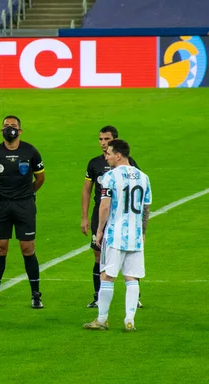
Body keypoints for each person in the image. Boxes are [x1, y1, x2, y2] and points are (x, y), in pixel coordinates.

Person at [84, 139, 151, 332]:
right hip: (135, 236)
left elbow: (104, 206)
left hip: (115, 235)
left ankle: (102, 319)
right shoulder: (143, 177)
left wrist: (99, 231)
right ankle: (129, 319)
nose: (107, 157)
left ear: (118, 155)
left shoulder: (111, 176)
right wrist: (143, 232)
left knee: (107, 276)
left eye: (109, 154)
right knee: (131, 278)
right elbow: (146, 208)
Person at [0, 116, 45, 309]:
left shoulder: (30, 151)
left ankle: (35, 295)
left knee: (28, 248)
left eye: (14, 126)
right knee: (0, 248)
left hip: (24, 206)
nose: (10, 129)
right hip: (1, 206)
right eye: (6, 126)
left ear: (20, 130)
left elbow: (40, 178)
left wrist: (26, 194)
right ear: (1, 130)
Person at [81, 125, 143, 309]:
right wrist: (84, 218)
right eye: (100, 139)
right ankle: (98, 296)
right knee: (98, 256)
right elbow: (86, 191)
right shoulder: (94, 163)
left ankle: (135, 296)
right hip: (99, 213)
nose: (103, 143)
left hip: (120, 215)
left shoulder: (128, 163)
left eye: (106, 139)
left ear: (114, 141)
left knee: (127, 257)